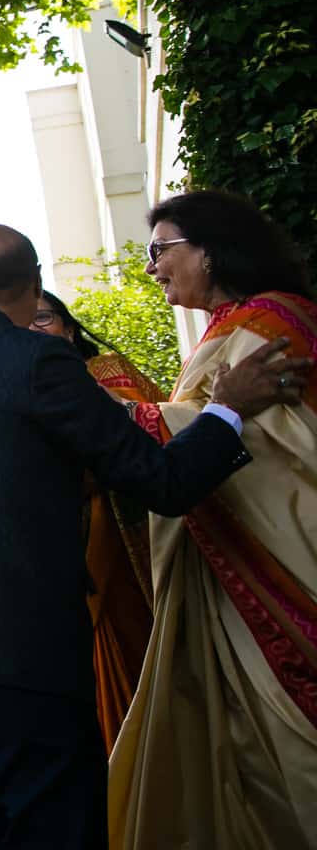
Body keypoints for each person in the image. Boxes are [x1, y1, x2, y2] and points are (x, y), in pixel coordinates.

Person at [0, 223, 304, 850]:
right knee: (54, 820)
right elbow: (159, 481)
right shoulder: (38, 359)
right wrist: (227, 409)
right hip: (23, 641)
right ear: (35, 283)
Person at [109, 191, 317, 850]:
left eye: (159, 251)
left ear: (209, 247)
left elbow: (279, 451)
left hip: (282, 572)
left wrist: (112, 417)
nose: (151, 269)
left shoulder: (266, 325)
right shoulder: (234, 327)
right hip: (241, 579)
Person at [32, 288, 163, 752]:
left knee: (142, 648)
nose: (34, 328)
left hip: (129, 538)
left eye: (44, 318)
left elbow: (153, 436)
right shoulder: (23, 388)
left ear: (69, 328)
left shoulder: (106, 373)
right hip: (61, 546)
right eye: (26, 322)